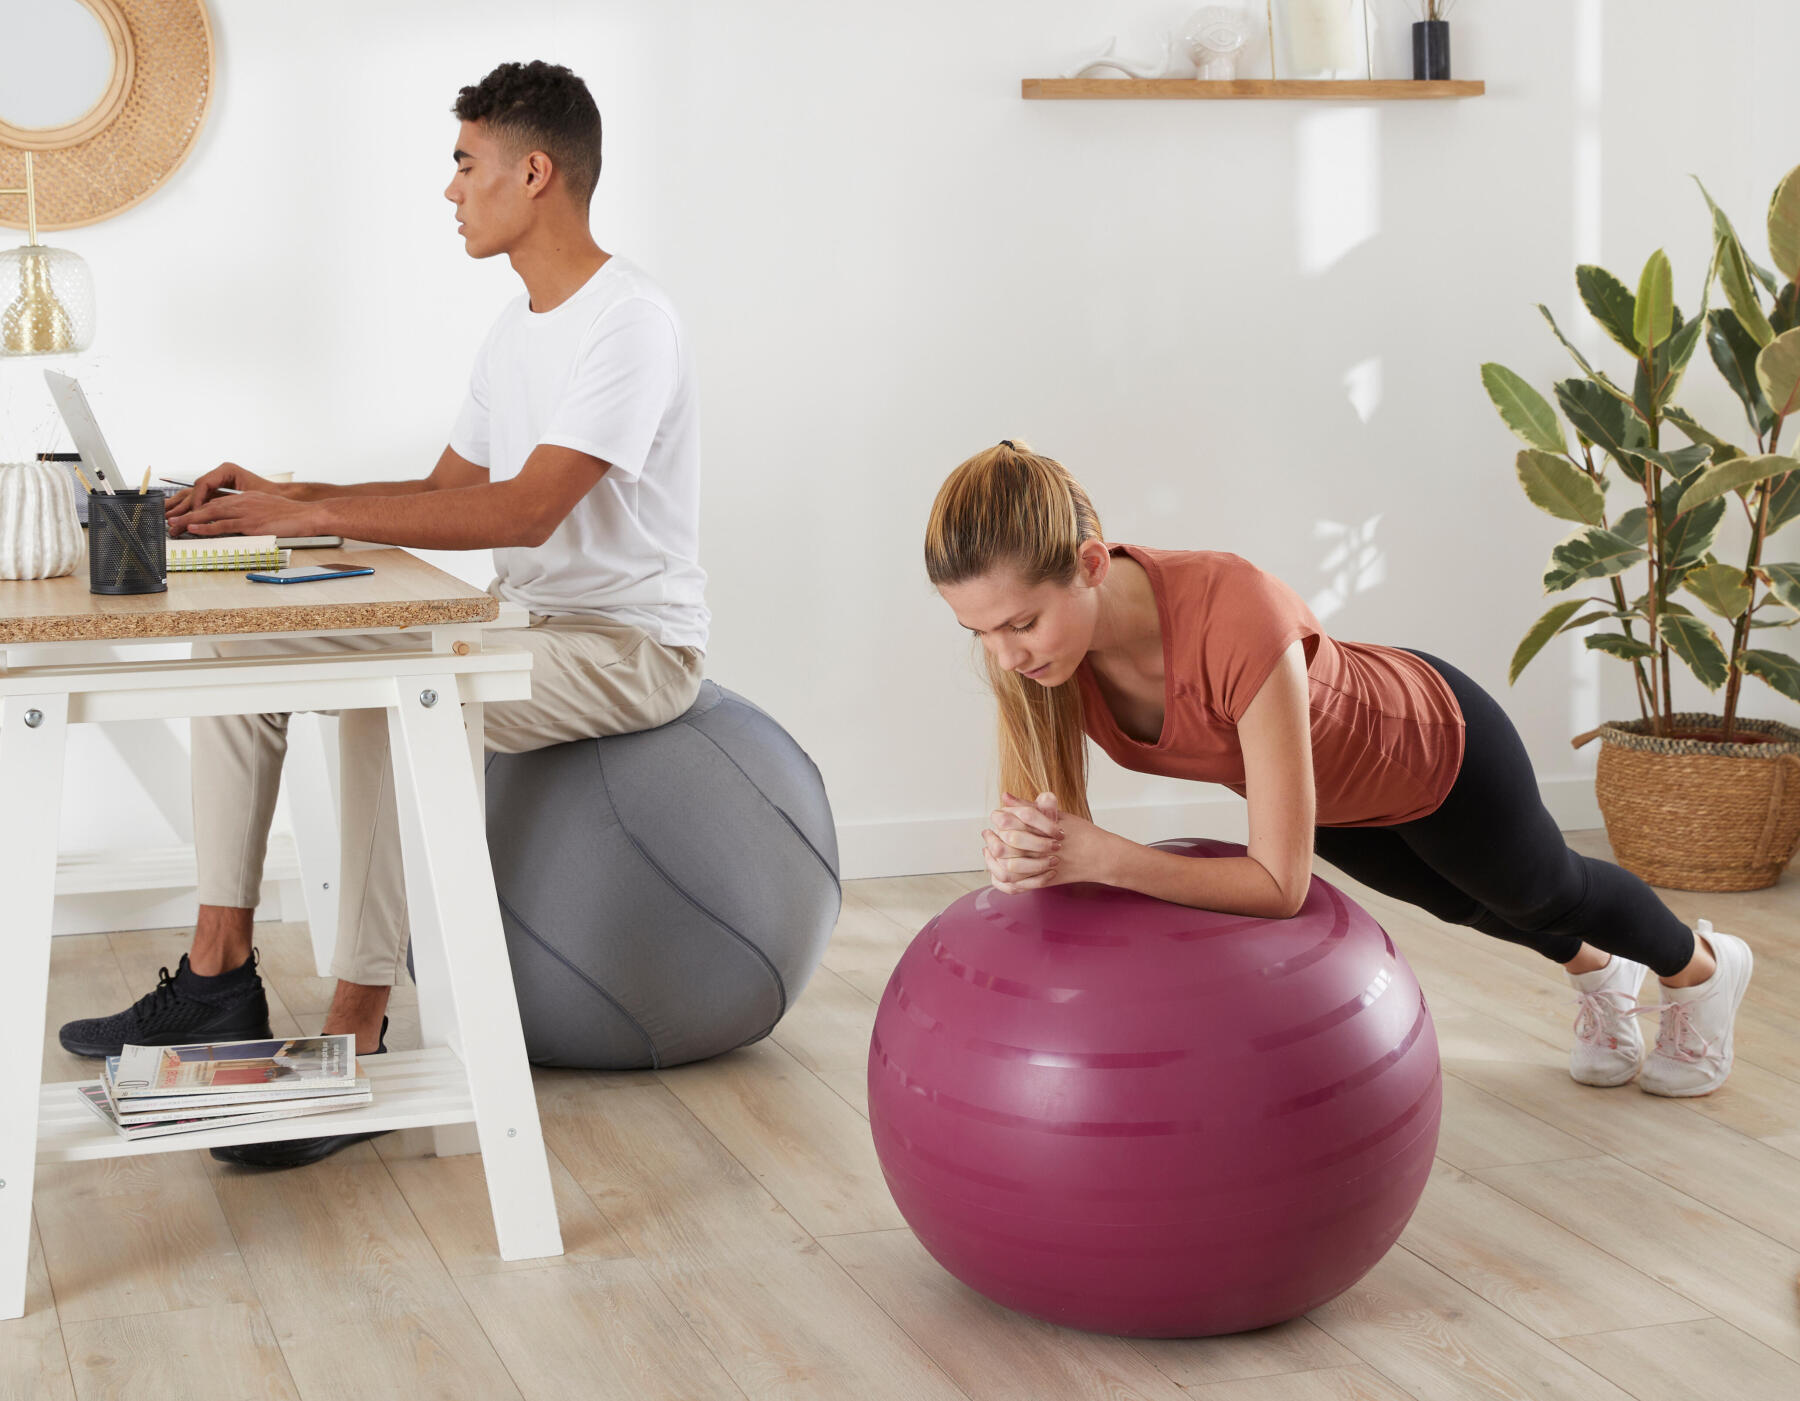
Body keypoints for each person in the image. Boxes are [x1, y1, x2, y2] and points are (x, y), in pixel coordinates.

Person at [59, 60, 709, 1164]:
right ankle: (218, 974)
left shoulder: (628, 323)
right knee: (246, 644)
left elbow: (530, 509)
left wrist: (305, 504)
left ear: (534, 173)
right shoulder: (519, 330)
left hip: (627, 648)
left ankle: (359, 1026)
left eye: (465, 164)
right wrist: (284, 502)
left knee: (385, 696)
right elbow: (448, 496)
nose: (450, 190)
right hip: (524, 623)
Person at [924, 440, 1755, 1097]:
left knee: (1546, 891)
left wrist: (1103, 854)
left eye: (1020, 622)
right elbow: (1045, 825)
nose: (1004, 653)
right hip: (1335, 799)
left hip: (1434, 744)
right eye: (980, 632)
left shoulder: (1231, 609)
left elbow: (1278, 887)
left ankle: (1703, 971)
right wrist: (1022, 850)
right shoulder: (1044, 662)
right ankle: (1602, 972)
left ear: (1093, 564)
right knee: (1460, 903)